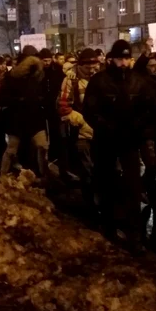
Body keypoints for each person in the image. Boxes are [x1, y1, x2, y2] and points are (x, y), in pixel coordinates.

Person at [83, 39, 155, 252]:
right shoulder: (99, 81)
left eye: (126, 58)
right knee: (106, 183)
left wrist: (139, 128)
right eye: (119, 59)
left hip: (130, 142)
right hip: (106, 141)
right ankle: (108, 225)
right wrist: (106, 127)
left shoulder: (138, 81)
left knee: (133, 187)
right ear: (111, 59)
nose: (123, 63)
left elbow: (148, 108)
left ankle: (134, 235)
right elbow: (90, 110)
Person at [133, 39, 156, 243]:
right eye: (150, 66)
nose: (153, 69)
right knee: (151, 166)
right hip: (147, 131)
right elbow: (138, 69)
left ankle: (148, 191)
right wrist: (146, 53)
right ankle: (154, 204)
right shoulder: (140, 79)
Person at [0, 45, 49, 179]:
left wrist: (41, 100)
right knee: (12, 150)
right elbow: (2, 98)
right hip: (18, 119)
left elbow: (46, 94)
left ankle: (43, 176)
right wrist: (19, 100)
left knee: (42, 147)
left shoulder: (41, 76)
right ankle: (2, 176)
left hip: (34, 117)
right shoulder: (13, 77)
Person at [58, 48, 99, 213]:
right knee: (87, 171)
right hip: (83, 134)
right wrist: (82, 122)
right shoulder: (70, 81)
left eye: (93, 64)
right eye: (87, 65)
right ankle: (91, 206)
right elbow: (62, 107)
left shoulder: (101, 78)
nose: (91, 69)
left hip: (103, 133)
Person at [39, 48, 65, 167]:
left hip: (54, 105)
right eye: (44, 60)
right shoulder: (38, 71)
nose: (47, 63)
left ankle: (55, 155)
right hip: (42, 105)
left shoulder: (57, 70)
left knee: (56, 132)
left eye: (49, 60)